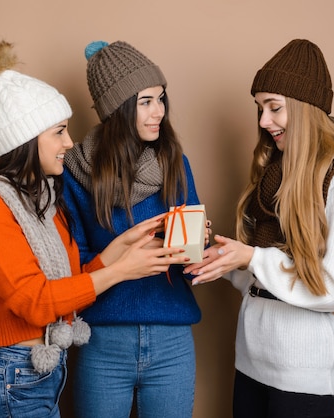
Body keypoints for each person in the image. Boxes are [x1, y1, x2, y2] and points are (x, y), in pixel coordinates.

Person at [0, 39, 189, 418]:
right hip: (12, 378)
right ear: (26, 139)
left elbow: (68, 286)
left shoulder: (40, 204)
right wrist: (122, 271)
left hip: (40, 377)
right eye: (59, 132)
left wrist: (116, 250)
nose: (69, 143)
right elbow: (35, 301)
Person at [185, 39, 334, 418]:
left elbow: (331, 288)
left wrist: (251, 256)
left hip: (303, 379)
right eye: (260, 109)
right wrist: (226, 261)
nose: (263, 121)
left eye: (274, 108)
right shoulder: (279, 171)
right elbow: (266, 280)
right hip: (252, 364)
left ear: (305, 109)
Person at [63, 40, 207, 418]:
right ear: (118, 108)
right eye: (145, 101)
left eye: (161, 99)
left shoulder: (176, 162)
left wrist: (198, 246)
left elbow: (191, 263)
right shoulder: (75, 173)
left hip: (172, 338)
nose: (158, 111)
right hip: (102, 338)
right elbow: (71, 263)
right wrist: (125, 262)